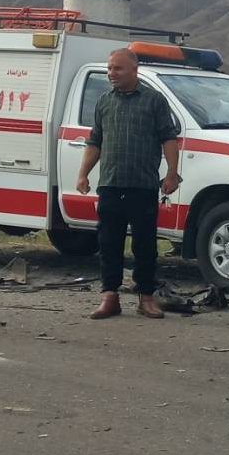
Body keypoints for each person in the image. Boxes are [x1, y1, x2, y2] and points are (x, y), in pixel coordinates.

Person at [76, 48, 181, 321]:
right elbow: (95, 141)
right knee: (109, 242)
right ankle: (109, 297)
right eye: (110, 69)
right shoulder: (104, 102)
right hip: (110, 184)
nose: (112, 74)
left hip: (143, 185)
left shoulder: (154, 101)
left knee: (145, 245)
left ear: (134, 70)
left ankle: (146, 297)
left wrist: (172, 173)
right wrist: (83, 173)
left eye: (118, 69)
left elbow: (168, 138)